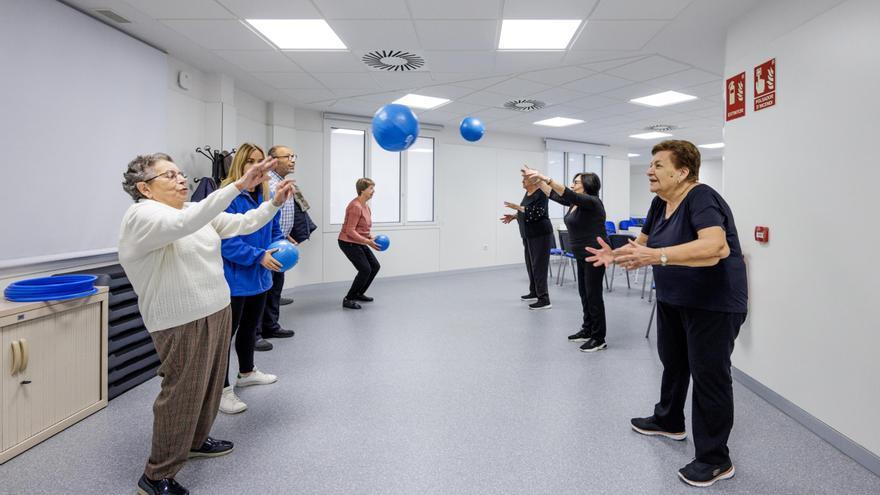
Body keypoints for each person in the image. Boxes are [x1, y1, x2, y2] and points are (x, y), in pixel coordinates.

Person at [118, 153, 292, 495]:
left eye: (181, 173)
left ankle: (196, 442)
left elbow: (242, 224)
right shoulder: (142, 216)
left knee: (211, 386)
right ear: (145, 188)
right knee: (182, 393)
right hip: (180, 320)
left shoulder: (188, 212)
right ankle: (156, 476)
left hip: (215, 308)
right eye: (169, 176)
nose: (181, 179)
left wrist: (272, 203)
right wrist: (240, 185)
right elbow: (187, 223)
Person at [585, 140, 748, 487]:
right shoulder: (661, 203)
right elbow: (642, 245)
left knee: (709, 375)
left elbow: (715, 247)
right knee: (673, 361)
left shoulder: (701, 197)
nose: (650, 170)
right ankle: (669, 420)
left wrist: (658, 257)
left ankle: (715, 459)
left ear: (683, 172)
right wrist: (618, 255)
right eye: (651, 164)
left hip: (713, 302)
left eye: (659, 165)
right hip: (675, 297)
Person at [218, 143, 287, 414]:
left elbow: (276, 231)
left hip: (260, 278)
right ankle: (221, 391)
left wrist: (283, 249)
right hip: (234, 278)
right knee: (225, 336)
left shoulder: (266, 197)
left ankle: (246, 374)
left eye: (260, 160)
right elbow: (226, 242)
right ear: (240, 165)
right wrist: (258, 255)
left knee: (250, 329)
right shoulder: (228, 196)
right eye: (250, 161)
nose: (256, 166)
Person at [523, 167, 609, 352]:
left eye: (576, 182)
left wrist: (547, 178)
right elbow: (554, 195)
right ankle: (587, 330)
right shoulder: (575, 203)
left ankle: (598, 337)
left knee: (593, 295)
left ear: (587, 185)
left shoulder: (592, 202)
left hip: (596, 255)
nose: (572, 184)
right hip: (581, 254)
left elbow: (566, 192)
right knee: (584, 293)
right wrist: (538, 181)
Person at [254, 145, 299, 349]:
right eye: (287, 156)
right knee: (261, 290)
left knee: (275, 288)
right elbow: (261, 215)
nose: (292, 160)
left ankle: (271, 325)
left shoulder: (281, 182)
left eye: (293, 156)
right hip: (265, 246)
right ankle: (255, 334)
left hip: (279, 241)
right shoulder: (267, 184)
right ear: (273, 159)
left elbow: (277, 215)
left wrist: (286, 235)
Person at [501, 176, 553, 309]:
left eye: (525, 179)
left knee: (539, 266)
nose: (522, 181)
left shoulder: (541, 193)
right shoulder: (527, 193)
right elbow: (525, 212)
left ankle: (544, 299)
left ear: (534, 181)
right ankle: (534, 292)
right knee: (531, 264)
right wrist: (514, 216)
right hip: (528, 234)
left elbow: (537, 213)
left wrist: (517, 207)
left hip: (540, 234)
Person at [338, 178, 381, 310]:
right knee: (365, 269)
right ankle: (349, 298)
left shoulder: (366, 206)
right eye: (371, 189)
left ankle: (359, 293)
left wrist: (371, 237)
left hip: (358, 241)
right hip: (347, 242)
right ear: (362, 190)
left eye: (373, 188)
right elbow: (350, 231)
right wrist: (367, 241)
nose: (373, 191)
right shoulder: (355, 206)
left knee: (375, 266)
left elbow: (363, 228)